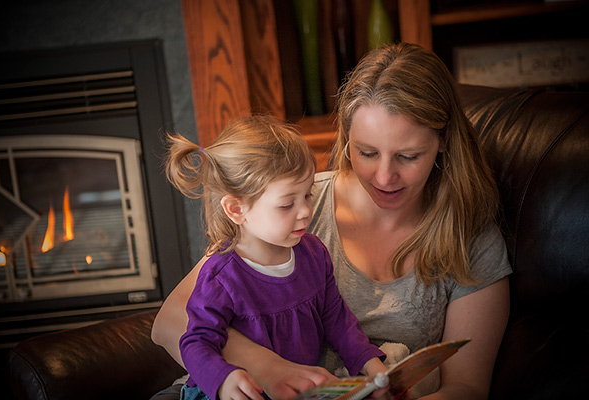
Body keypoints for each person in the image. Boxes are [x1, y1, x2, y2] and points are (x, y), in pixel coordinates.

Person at [152, 43, 512, 400]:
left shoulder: (471, 237)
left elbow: (466, 387)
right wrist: (269, 367)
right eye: (367, 152)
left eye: (408, 156)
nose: (384, 176)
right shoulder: (288, 207)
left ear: (444, 140)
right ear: (346, 139)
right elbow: (171, 321)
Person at [164, 115, 388, 400]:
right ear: (236, 209)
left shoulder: (313, 254)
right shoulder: (221, 276)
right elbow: (197, 342)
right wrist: (223, 379)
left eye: (308, 195)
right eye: (286, 204)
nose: (305, 210)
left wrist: (371, 365)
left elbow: (338, 322)